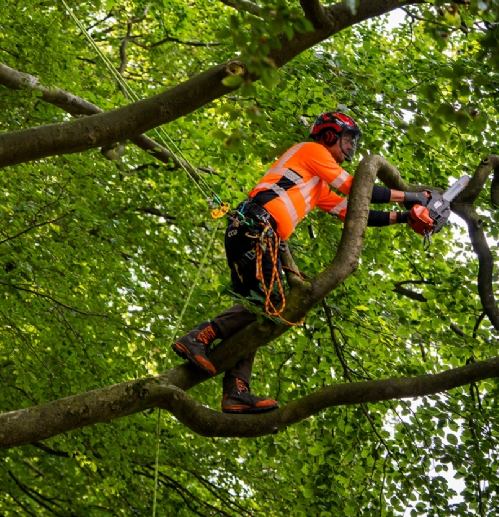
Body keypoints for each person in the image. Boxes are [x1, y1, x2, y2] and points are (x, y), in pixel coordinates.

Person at [172, 112, 430, 414]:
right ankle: (198, 338)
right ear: (330, 135)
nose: (350, 148)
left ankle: (236, 391)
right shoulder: (313, 151)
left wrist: (405, 216)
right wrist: (413, 197)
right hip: (256, 227)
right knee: (270, 302)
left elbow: (354, 210)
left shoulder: (318, 185)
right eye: (347, 140)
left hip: (256, 233)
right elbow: (358, 188)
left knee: (259, 310)